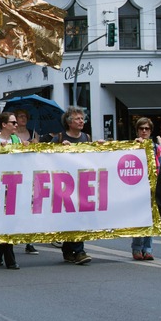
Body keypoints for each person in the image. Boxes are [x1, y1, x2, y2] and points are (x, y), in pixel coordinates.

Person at [51, 106, 93, 265]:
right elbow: (47, 158)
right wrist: (60, 150)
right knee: (71, 216)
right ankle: (77, 251)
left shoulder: (87, 138)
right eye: (77, 118)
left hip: (82, 183)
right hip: (64, 185)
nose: (81, 121)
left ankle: (72, 250)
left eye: (82, 118)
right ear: (69, 122)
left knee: (79, 216)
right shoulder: (60, 138)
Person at [0, 112, 25, 269]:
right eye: (13, 122)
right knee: (4, 220)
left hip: (14, 183)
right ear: (4, 124)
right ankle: (10, 259)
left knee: (12, 220)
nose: (16, 125)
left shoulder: (16, 140)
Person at [131, 117, 161, 261]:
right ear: (137, 131)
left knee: (150, 219)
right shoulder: (132, 145)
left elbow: (160, 166)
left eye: (146, 129)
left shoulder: (156, 148)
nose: (144, 131)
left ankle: (147, 249)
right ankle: (137, 248)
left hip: (151, 187)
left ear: (150, 131)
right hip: (135, 187)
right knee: (138, 218)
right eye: (141, 128)